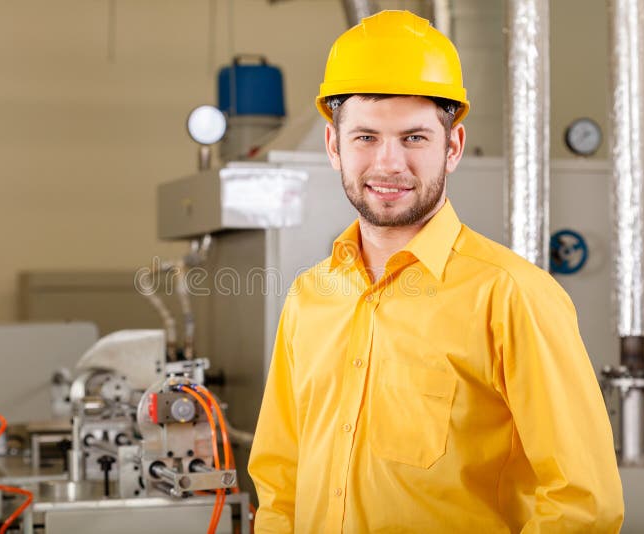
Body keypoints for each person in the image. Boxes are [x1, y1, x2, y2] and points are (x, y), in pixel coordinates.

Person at [248, 9, 624, 534]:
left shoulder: (511, 296)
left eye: (414, 138)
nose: (389, 164)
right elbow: (279, 480)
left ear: (453, 147)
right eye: (365, 138)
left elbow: (584, 504)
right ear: (334, 146)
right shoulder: (311, 296)